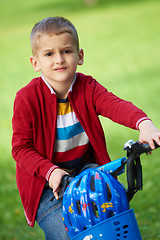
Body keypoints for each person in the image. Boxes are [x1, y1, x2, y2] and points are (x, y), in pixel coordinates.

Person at [11, 17, 160, 240]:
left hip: (86, 172)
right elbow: (20, 148)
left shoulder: (88, 87)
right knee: (68, 233)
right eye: (49, 54)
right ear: (35, 62)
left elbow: (115, 105)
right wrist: (50, 172)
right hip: (46, 185)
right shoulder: (27, 98)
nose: (59, 59)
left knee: (115, 220)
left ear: (79, 56)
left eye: (66, 51)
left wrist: (143, 123)